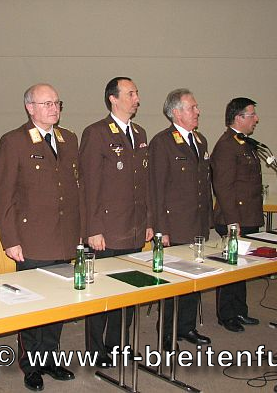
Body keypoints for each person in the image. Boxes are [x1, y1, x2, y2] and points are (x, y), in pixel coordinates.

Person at [0, 83, 80, 391]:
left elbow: (75, 189)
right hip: (31, 239)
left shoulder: (69, 139)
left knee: (57, 304)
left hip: (63, 237)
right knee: (30, 306)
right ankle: (30, 365)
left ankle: (50, 358)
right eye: (46, 104)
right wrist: (10, 239)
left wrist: (79, 235)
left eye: (57, 103)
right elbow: (2, 196)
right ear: (30, 108)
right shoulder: (13, 141)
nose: (54, 109)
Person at [80, 77, 152, 365]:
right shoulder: (96, 133)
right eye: (131, 93)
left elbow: (143, 184)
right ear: (113, 98)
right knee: (101, 292)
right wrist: (93, 228)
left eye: (136, 93)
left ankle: (119, 344)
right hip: (107, 230)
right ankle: (96, 350)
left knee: (128, 289)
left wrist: (147, 221)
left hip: (133, 227)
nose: (136, 99)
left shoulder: (140, 132)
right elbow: (89, 186)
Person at [149, 88, 212, 349]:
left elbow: (203, 185)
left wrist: (208, 221)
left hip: (197, 224)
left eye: (196, 107)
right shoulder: (162, 142)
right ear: (176, 112)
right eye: (192, 107)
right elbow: (156, 188)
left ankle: (186, 327)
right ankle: (167, 332)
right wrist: (161, 229)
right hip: (174, 225)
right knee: (172, 283)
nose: (197, 111)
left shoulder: (200, 140)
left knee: (194, 279)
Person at [211, 97, 262, 333]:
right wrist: (233, 221)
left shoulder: (244, 143)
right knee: (230, 268)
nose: (256, 119)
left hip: (247, 216)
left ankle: (240, 309)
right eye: (252, 115)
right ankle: (226, 314)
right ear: (238, 118)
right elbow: (223, 187)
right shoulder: (226, 145)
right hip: (234, 218)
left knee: (243, 267)